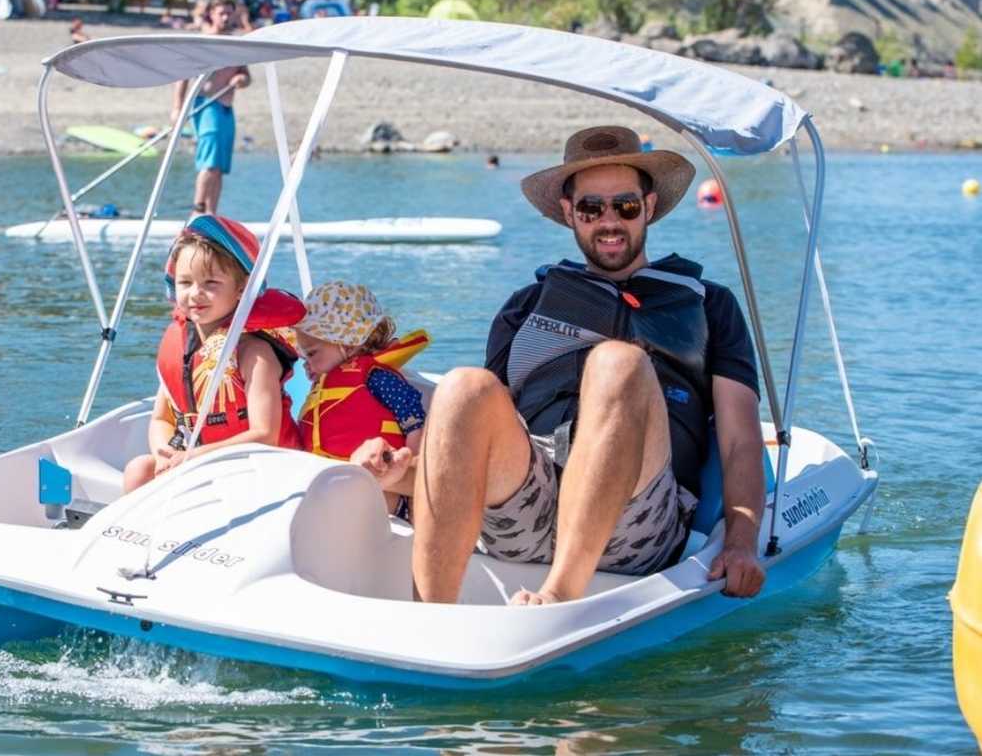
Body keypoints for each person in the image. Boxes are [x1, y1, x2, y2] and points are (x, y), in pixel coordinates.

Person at [411, 126, 767, 606]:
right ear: (568, 213)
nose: (609, 222)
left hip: (635, 521)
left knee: (617, 363)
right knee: (462, 386)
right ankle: (431, 616)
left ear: (649, 205)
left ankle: (558, 595)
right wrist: (400, 477)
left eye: (624, 206)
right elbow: (476, 430)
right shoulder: (526, 305)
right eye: (591, 208)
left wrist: (742, 543)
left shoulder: (710, 304)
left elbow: (741, 439)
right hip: (527, 508)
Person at [122, 216, 305, 493]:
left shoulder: (254, 354)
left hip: (261, 469)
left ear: (241, 289)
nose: (196, 294)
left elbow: (264, 434)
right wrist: (164, 455)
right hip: (200, 462)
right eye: (185, 282)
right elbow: (162, 418)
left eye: (210, 283)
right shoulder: (183, 346)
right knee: (139, 471)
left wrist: (196, 457)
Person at [293, 281, 429, 515]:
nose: (306, 363)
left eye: (312, 353)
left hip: (386, 490)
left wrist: (415, 472)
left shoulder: (376, 377)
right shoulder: (323, 387)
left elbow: (413, 419)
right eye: (304, 356)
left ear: (348, 343)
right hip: (329, 481)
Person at [171, 0, 250, 215]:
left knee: (219, 168)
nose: (225, 17)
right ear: (212, 14)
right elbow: (183, 75)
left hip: (226, 108)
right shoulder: (202, 43)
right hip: (206, 106)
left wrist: (242, 79)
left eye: (228, 13)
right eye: (221, 13)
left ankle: (212, 214)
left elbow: (245, 74)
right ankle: (197, 210)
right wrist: (177, 108)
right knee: (209, 163)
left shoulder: (237, 45)